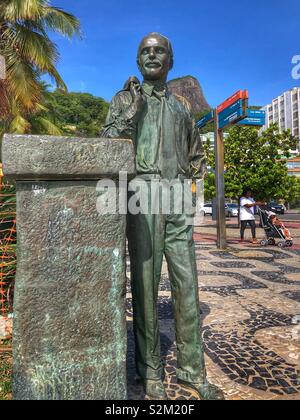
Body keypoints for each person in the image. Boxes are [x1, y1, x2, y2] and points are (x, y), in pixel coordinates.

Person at [101, 33, 224, 400]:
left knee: (188, 285)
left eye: (159, 51)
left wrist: (190, 196)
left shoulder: (183, 107)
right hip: (142, 198)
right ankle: (149, 370)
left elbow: (197, 157)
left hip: (176, 201)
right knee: (144, 284)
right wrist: (132, 112)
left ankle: (191, 370)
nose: (152, 56)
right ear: (138, 61)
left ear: (170, 60)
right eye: (146, 52)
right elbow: (108, 142)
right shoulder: (124, 99)